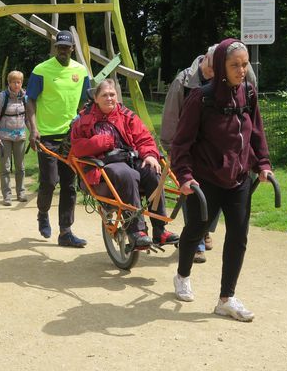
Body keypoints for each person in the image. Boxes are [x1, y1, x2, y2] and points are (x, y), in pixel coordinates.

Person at [171, 38, 273, 322]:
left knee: (238, 235)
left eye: (244, 64)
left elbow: (256, 134)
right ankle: (182, 275)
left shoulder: (249, 94)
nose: (242, 70)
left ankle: (226, 299)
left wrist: (262, 164)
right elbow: (181, 144)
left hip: (239, 177)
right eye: (235, 65)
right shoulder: (200, 98)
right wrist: (185, 176)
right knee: (195, 230)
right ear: (220, 67)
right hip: (205, 180)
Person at [162, 46, 258, 263]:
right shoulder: (185, 81)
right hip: (193, 152)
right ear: (208, 61)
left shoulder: (241, 80)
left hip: (225, 157)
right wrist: (172, 149)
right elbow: (171, 114)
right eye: (214, 67)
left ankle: (204, 231)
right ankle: (196, 238)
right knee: (195, 198)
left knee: (216, 205)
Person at [70, 79, 179, 248]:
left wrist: (150, 155)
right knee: (128, 174)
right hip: (104, 165)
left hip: (131, 158)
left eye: (112, 94)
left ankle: (160, 230)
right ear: (96, 98)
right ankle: (136, 231)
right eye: (104, 95)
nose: (109, 98)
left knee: (151, 171)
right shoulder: (83, 120)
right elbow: (77, 148)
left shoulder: (127, 115)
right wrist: (102, 142)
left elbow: (144, 138)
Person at [26, 29, 90, 248]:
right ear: (55, 48)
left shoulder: (81, 71)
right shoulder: (41, 70)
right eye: (59, 47)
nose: (63, 51)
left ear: (72, 48)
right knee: (49, 182)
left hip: (70, 137)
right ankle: (42, 213)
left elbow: (85, 102)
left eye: (66, 47)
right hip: (46, 135)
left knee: (69, 185)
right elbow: (31, 101)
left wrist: (82, 125)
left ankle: (66, 232)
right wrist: (33, 129)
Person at [0, 70, 28, 206]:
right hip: (4, 137)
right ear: (9, 83)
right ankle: (7, 196)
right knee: (5, 168)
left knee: (21, 167)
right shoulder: (2, 97)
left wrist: (35, 133)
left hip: (20, 137)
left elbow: (28, 118)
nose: (16, 84)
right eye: (13, 82)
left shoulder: (25, 97)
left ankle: (21, 192)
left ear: (21, 83)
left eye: (18, 82)